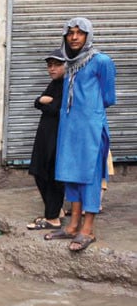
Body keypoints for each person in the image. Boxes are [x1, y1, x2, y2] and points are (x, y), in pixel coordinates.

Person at [44, 17, 116, 252]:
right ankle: (73, 225)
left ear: (88, 35)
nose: (74, 37)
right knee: (71, 174)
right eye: (70, 33)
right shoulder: (70, 63)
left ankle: (88, 229)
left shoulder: (101, 61)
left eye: (79, 33)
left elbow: (108, 98)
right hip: (70, 127)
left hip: (91, 128)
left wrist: (88, 114)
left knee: (90, 176)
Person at [26, 49, 66, 230]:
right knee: (38, 170)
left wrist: (43, 103)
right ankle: (56, 210)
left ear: (67, 66)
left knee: (52, 174)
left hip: (57, 136)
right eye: (49, 65)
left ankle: (52, 218)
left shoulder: (68, 85)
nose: (52, 69)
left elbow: (58, 110)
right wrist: (42, 101)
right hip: (45, 134)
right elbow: (37, 102)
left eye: (57, 65)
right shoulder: (54, 84)